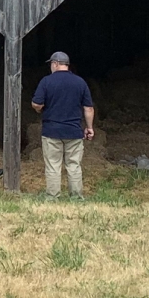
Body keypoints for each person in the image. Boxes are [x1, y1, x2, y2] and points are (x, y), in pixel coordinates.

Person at [31, 51, 94, 199]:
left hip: (51, 131)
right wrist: (89, 127)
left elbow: (37, 103)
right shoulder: (80, 82)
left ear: (55, 64)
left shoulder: (46, 81)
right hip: (74, 131)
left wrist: (38, 109)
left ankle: (53, 197)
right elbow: (89, 108)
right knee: (74, 165)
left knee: (53, 165)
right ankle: (76, 197)